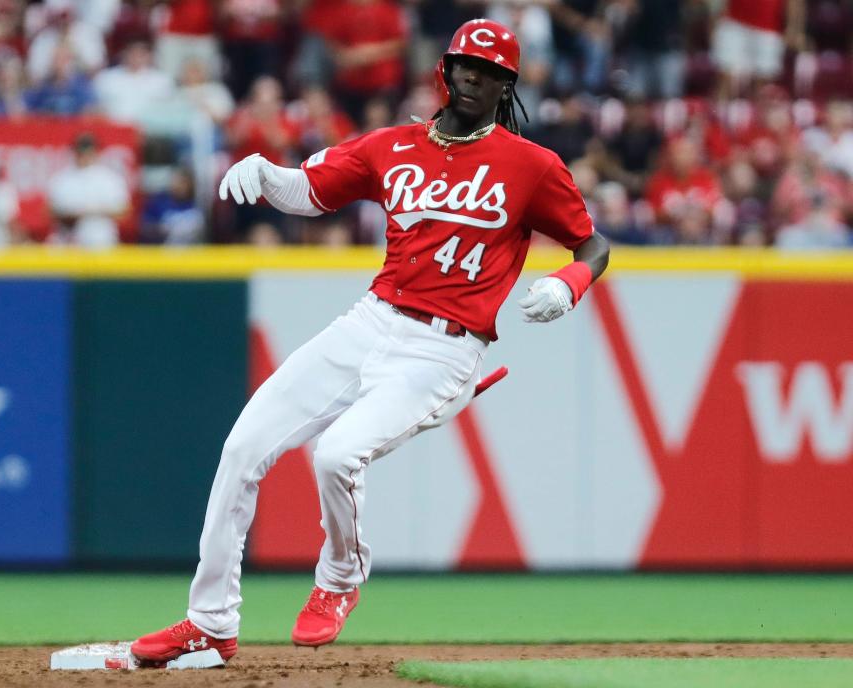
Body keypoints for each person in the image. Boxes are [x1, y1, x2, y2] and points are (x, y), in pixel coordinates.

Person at [131, 19, 610, 665]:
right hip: (372, 319)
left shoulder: (531, 165)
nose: (477, 79)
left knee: (335, 457)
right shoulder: (394, 145)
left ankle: (339, 579)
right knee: (242, 446)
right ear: (446, 71)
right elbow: (312, 190)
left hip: (444, 346)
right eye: (468, 66)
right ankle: (209, 621)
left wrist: (571, 282)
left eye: (492, 73)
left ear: (507, 86)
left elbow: (593, 242)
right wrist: (268, 174)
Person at [47, 133, 130, 248]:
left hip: (101, 242)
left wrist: (92, 211)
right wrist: (71, 215)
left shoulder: (110, 179)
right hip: (68, 242)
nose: (84, 156)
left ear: (96, 152)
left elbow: (123, 212)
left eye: (88, 151)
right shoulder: (62, 179)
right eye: (80, 151)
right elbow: (49, 212)